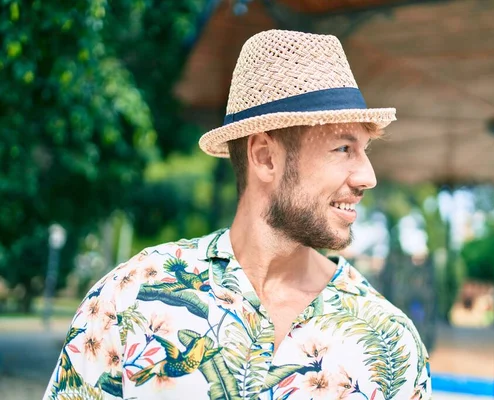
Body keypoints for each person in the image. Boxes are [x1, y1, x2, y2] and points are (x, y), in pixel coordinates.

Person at [44, 29, 431, 400]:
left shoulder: (391, 342)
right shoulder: (134, 298)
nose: (368, 176)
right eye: (344, 148)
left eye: (365, 149)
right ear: (264, 157)